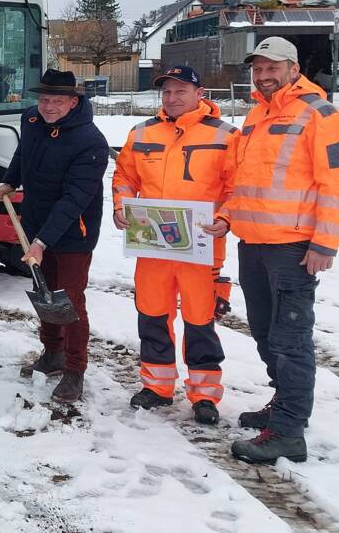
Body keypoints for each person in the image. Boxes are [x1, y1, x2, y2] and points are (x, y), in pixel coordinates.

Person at [225, 37, 339, 464]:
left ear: (294, 68)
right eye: (257, 69)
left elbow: (337, 183)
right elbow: (246, 180)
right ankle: (285, 404)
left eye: (271, 68)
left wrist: (324, 242)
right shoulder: (257, 114)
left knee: (290, 339)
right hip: (254, 243)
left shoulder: (321, 114)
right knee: (263, 332)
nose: (263, 76)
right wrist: (227, 216)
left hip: (294, 248)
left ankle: (289, 432)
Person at [111, 65, 238, 424]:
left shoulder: (226, 136)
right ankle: (157, 386)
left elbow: (237, 190)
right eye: (167, 91)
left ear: (200, 94)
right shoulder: (141, 132)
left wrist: (225, 219)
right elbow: (124, 176)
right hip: (153, 247)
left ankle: (204, 395)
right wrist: (121, 206)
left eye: (181, 91)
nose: (172, 97)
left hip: (201, 248)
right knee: (152, 316)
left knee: (200, 322)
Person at [0, 69, 109, 404]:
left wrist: (41, 243)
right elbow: (22, 154)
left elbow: (74, 200)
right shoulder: (31, 121)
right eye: (44, 99)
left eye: (58, 100)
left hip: (74, 232)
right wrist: (11, 181)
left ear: (74, 101)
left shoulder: (90, 141)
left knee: (69, 300)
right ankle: (52, 352)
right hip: (36, 222)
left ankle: (75, 369)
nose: (49, 106)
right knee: (45, 293)